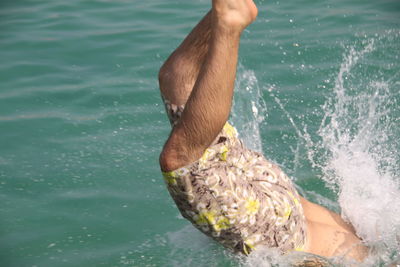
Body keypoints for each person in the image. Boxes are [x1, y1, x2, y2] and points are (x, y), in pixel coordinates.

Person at [158, 0, 368, 262]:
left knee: (178, 76)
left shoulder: (369, 234)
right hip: (277, 234)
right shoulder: (365, 255)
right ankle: (229, 23)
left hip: (278, 197)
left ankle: (229, 6)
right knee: (180, 160)